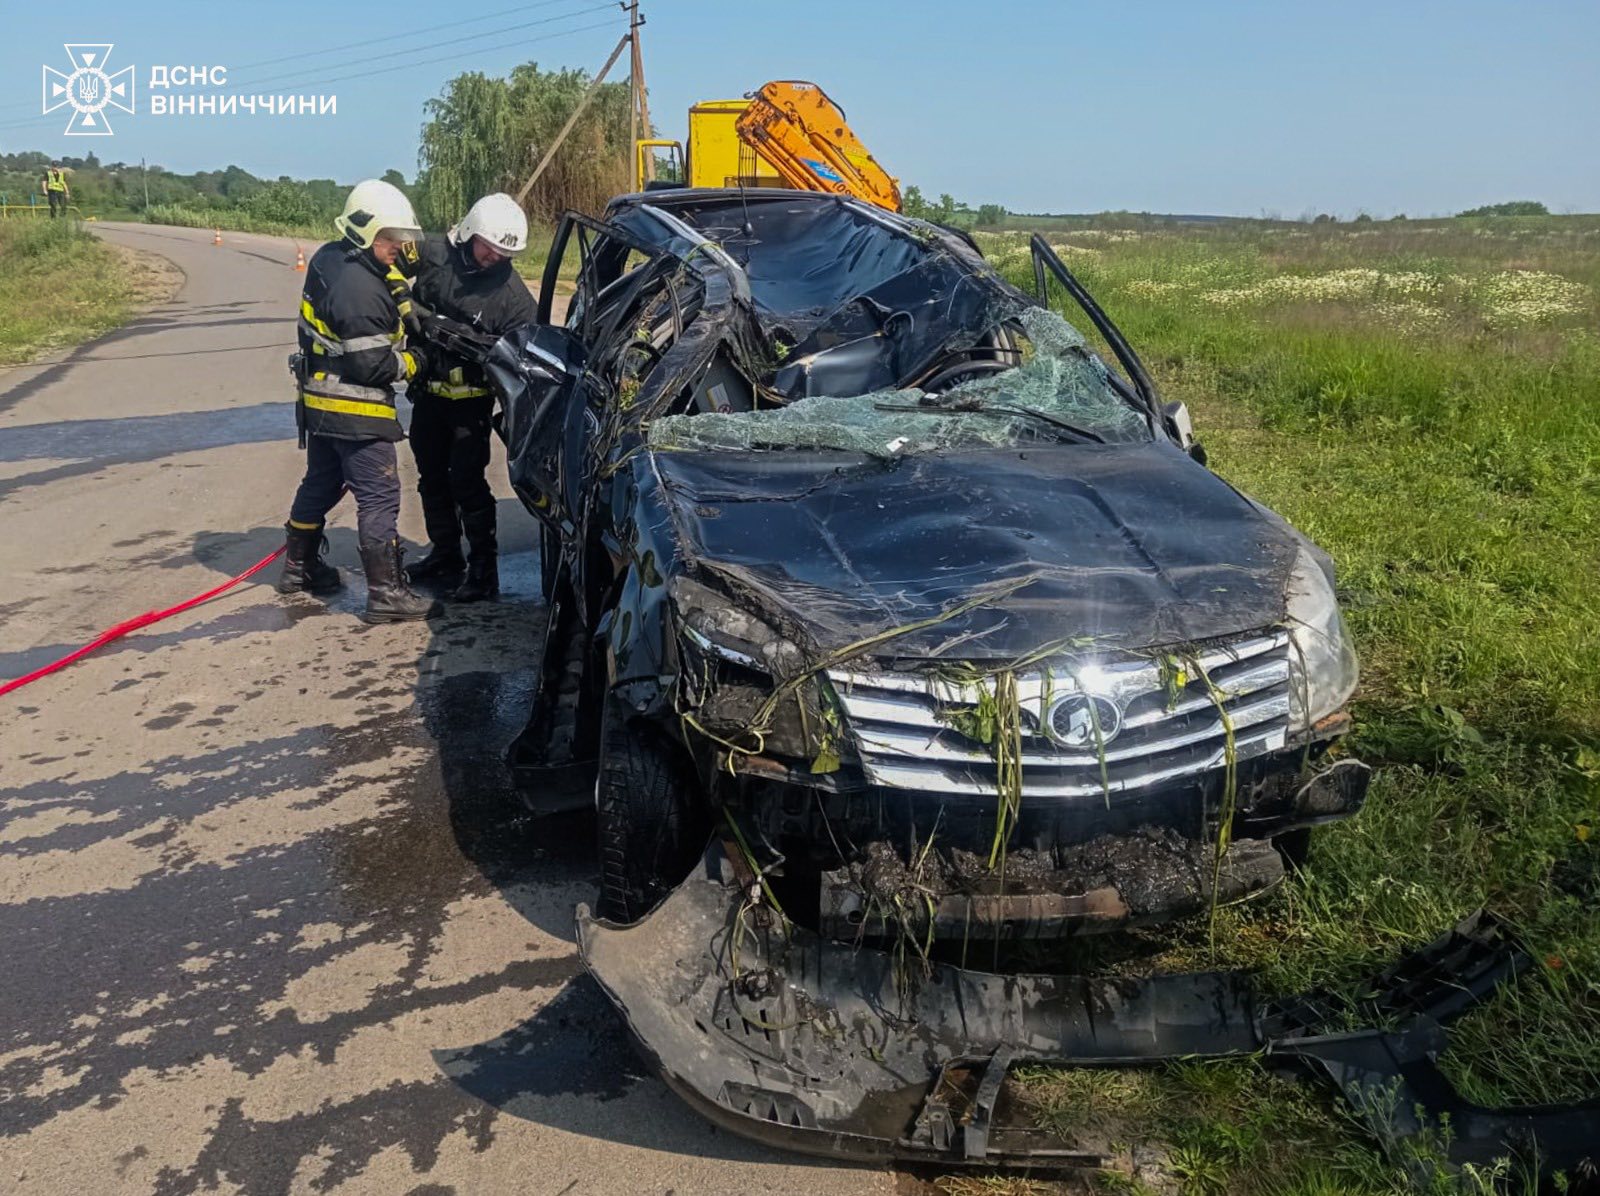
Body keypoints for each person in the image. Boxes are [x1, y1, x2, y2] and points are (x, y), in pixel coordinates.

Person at [277, 178, 438, 624]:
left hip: (320, 402)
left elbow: (385, 273)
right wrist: (418, 362)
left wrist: (407, 305)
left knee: (322, 483)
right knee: (379, 496)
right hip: (356, 407)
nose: (399, 249)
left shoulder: (333, 255)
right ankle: (386, 593)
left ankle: (299, 569)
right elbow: (374, 366)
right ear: (367, 233)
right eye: (391, 240)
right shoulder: (361, 293)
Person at [403, 192, 538, 602]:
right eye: (489, 249)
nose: (494, 258)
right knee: (430, 479)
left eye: (503, 254)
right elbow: (386, 261)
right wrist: (411, 311)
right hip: (427, 396)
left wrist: (470, 342)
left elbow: (521, 359)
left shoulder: (514, 300)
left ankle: (483, 571)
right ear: (469, 232)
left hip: (470, 408)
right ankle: (446, 555)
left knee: (468, 484)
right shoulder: (431, 253)